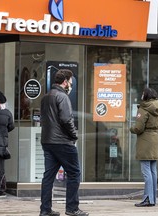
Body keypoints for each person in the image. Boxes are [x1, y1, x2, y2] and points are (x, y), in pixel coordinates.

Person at [39, 69, 89, 216]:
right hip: (62, 142)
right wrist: (74, 135)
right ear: (65, 82)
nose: (71, 85)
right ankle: (72, 208)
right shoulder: (62, 96)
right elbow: (67, 119)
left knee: (48, 176)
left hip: (47, 141)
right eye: (70, 82)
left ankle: (45, 210)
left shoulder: (45, 97)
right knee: (74, 173)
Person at [130, 87, 158, 207]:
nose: (141, 95)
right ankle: (153, 198)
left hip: (145, 141)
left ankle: (147, 198)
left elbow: (138, 128)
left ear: (146, 96)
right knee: (153, 171)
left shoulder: (143, 108)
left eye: (142, 93)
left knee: (146, 172)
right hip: (156, 139)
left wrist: (131, 128)